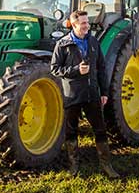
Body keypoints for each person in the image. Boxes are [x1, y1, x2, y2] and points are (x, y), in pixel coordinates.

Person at [50, 10, 120, 178]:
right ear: (74, 25)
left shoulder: (93, 42)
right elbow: (54, 69)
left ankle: (107, 165)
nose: (87, 26)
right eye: (83, 23)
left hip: (91, 93)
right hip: (72, 94)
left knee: (100, 130)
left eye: (87, 22)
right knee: (71, 131)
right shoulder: (63, 44)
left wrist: (104, 92)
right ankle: (74, 165)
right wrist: (76, 70)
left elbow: (102, 68)